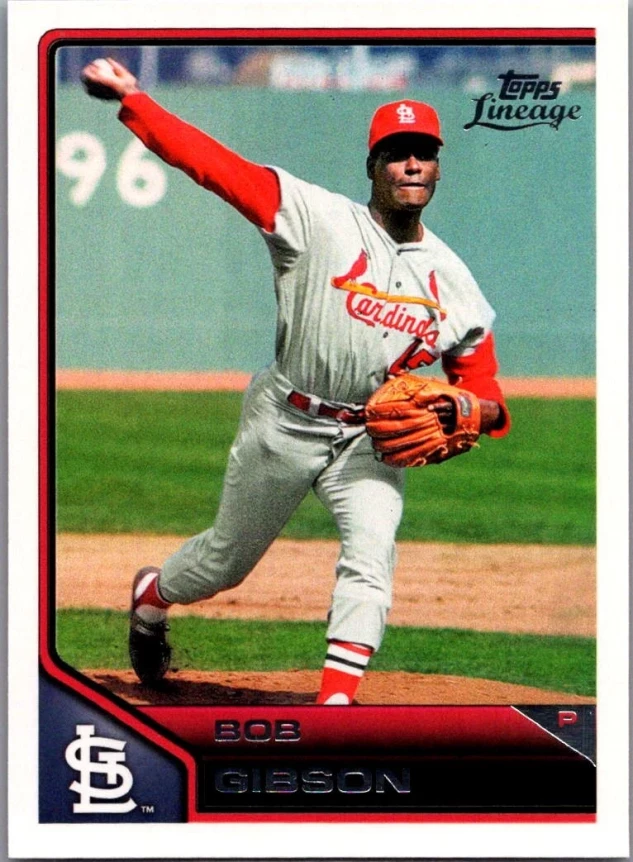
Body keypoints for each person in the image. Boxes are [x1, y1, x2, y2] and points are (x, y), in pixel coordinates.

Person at [81, 57, 511, 705]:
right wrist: (135, 99)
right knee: (222, 563)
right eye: (396, 154)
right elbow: (213, 166)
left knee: (372, 555)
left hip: (368, 437)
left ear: (437, 167)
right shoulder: (314, 216)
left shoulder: (453, 281)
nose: (411, 165)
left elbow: (487, 395)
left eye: (423, 153)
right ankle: (152, 596)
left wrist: (470, 412)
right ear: (373, 166)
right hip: (284, 420)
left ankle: (335, 702)